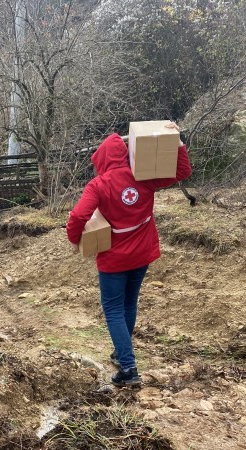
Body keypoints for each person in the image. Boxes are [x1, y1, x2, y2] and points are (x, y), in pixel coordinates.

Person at [65, 122, 192, 387]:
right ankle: (120, 351)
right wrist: (178, 142)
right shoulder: (143, 176)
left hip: (113, 259)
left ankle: (129, 368)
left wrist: (74, 239)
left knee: (112, 309)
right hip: (142, 254)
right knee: (128, 304)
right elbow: (183, 171)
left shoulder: (98, 185)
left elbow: (78, 215)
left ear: (101, 158)